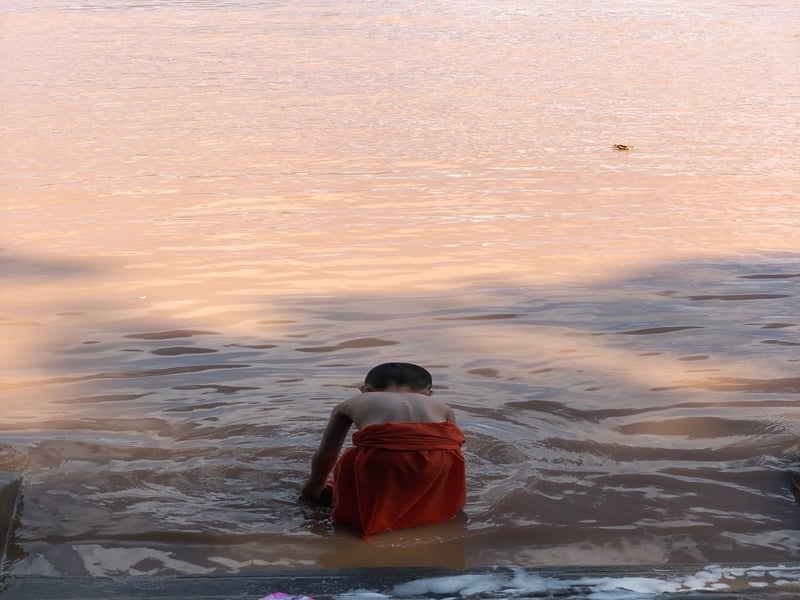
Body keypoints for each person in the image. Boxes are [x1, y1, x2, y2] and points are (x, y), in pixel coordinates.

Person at [300, 362, 466, 538]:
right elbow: (452, 447)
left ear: (365, 390)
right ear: (428, 392)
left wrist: (315, 484)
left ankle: (358, 531)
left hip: (381, 459)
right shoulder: (443, 407)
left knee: (351, 498)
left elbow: (328, 451)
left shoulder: (352, 402)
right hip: (441, 461)